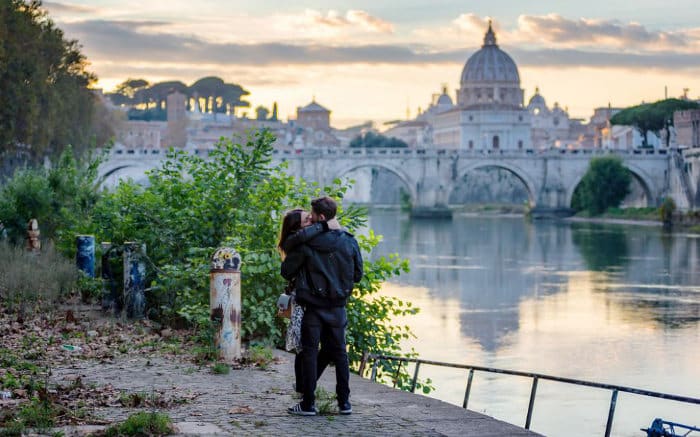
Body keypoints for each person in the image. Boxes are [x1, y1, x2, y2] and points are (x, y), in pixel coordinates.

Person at [281, 196, 363, 416]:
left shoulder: (307, 243)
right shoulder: (349, 240)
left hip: (313, 308)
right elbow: (358, 275)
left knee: (309, 353)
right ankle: (344, 403)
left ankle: (308, 404)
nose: (311, 218)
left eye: (312, 214)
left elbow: (286, 271)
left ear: (322, 217)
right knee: (340, 354)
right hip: (337, 307)